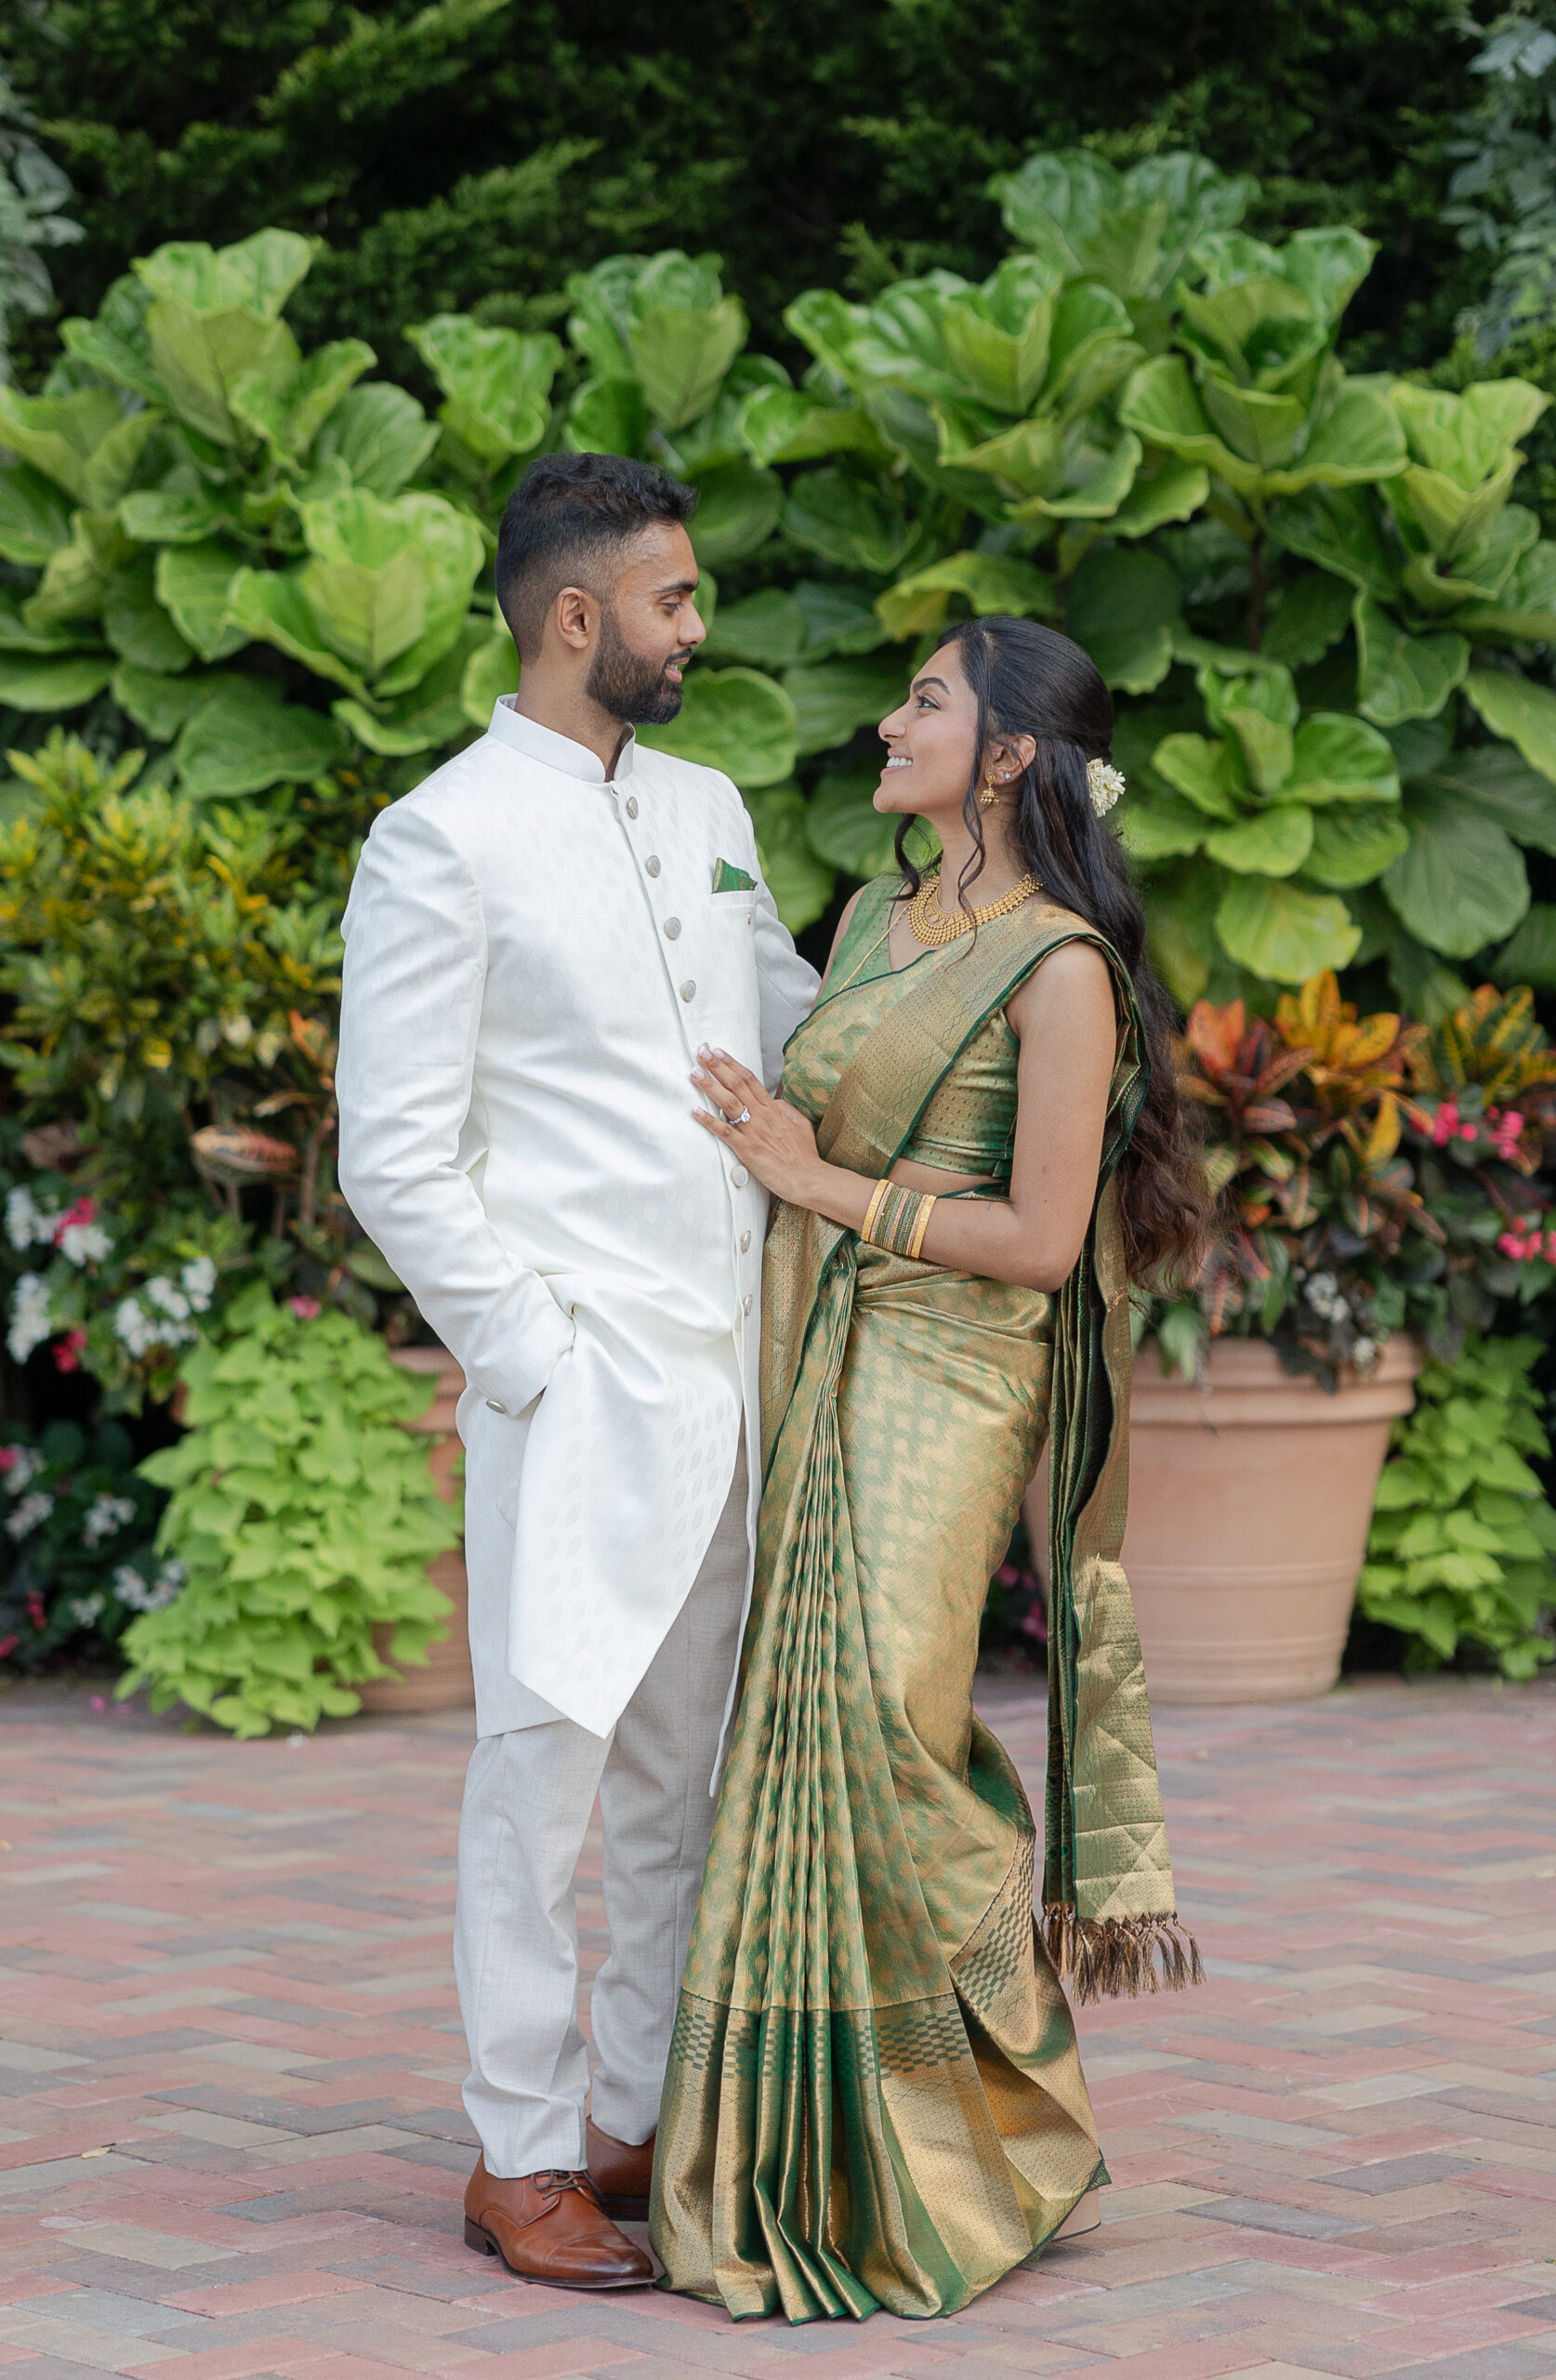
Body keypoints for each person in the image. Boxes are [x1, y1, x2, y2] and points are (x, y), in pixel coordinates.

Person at [652, 615, 1209, 2322]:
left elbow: (1044, 1242)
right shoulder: (876, 920)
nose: (891, 723)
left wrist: (817, 1189)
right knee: (798, 1721)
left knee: (889, 1727)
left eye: (927, 701)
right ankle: (799, 2154)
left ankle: (999, 2129)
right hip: (821, 1350)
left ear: (1014, 754)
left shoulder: (1059, 970)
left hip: (955, 1372)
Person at [335, 452, 820, 2291]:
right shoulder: (440, 836)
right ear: (573, 616)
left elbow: (787, 1010)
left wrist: (969, 930)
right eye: (673, 598)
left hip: (730, 1373)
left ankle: (629, 2115)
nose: (695, 626)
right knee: (538, 1772)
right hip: (577, 1383)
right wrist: (532, 1360)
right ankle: (518, 2150)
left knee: (674, 1772)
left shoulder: (705, 800)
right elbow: (395, 1147)